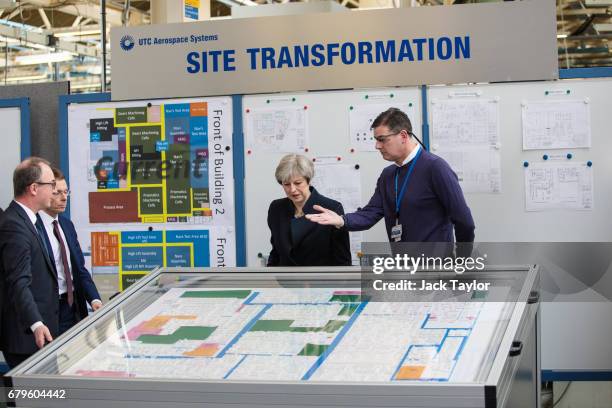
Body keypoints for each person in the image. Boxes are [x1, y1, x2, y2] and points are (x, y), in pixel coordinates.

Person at [306, 108, 475, 251]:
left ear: (403, 135)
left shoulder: (435, 168)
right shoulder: (388, 175)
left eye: (382, 140)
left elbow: (464, 222)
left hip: (435, 272)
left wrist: (460, 263)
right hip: (402, 271)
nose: (377, 146)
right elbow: (370, 214)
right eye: (376, 140)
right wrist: (342, 220)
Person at [0, 157, 58, 369]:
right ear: (34, 188)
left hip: (40, 334)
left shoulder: (29, 221)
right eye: (51, 184)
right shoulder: (14, 225)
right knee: (32, 399)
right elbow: (18, 281)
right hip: (28, 337)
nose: (54, 189)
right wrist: (36, 324)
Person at [36, 168, 102, 336]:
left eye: (66, 192)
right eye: (57, 193)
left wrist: (94, 299)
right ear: (44, 193)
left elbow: (79, 269)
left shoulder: (67, 225)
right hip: (47, 313)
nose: (64, 198)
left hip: (74, 309)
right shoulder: (32, 227)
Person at [267, 154, 351, 266]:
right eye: (286, 184)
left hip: (320, 281)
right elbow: (276, 253)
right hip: (285, 281)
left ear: (308, 180)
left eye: (298, 183)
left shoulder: (331, 208)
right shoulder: (276, 208)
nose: (292, 190)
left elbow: (342, 260)